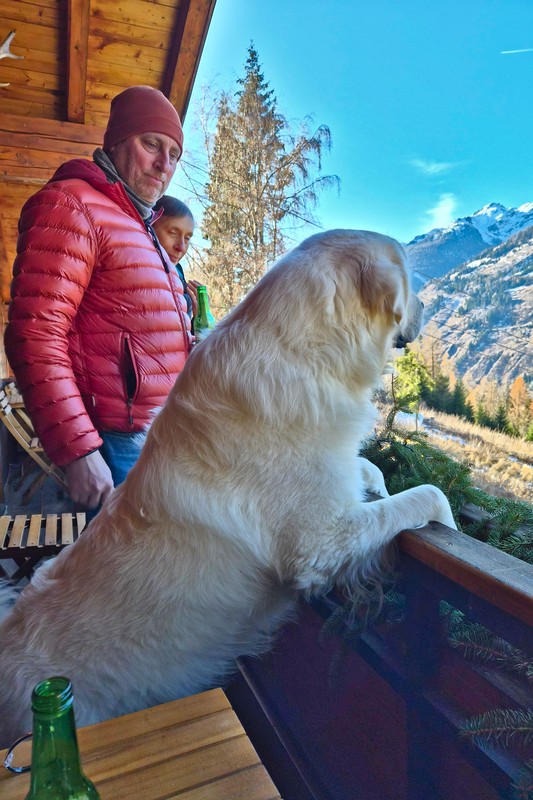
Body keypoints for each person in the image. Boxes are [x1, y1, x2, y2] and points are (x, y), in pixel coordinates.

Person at [4, 86, 193, 510]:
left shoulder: (142, 226)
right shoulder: (72, 203)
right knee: (135, 573)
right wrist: (79, 449)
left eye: (175, 155)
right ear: (117, 142)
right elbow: (35, 333)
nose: (164, 165)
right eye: (152, 145)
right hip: (115, 442)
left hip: (161, 431)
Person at [152, 195, 200, 318]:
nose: (182, 247)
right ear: (150, 226)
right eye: (173, 233)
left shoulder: (181, 282)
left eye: (187, 238)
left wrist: (200, 317)